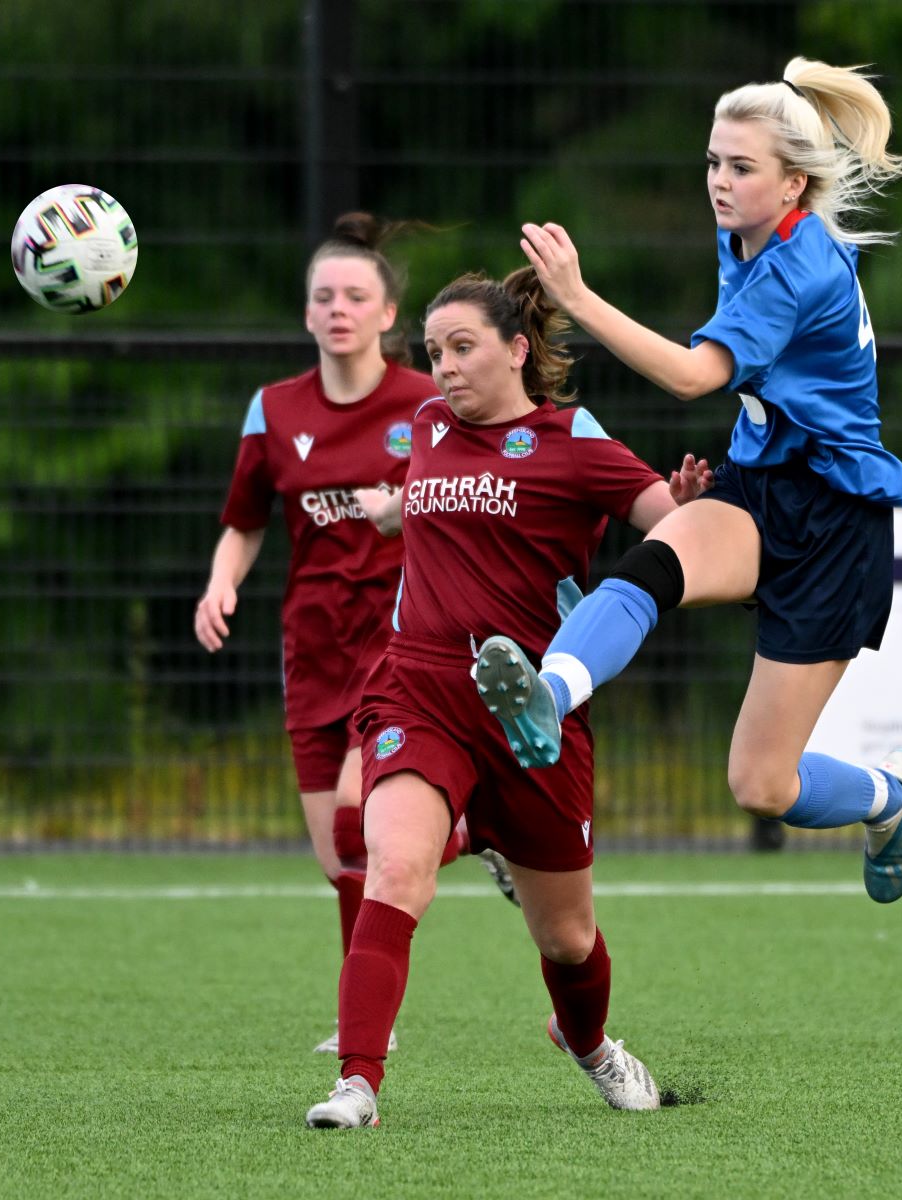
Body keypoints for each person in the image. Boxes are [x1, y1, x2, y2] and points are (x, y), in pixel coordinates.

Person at [475, 57, 902, 905]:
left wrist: (575, 295)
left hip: (836, 525)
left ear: (792, 183)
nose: (718, 181)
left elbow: (692, 377)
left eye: (741, 166)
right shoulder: (748, 233)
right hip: (761, 489)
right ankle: (547, 693)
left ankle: (889, 793)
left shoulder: (798, 266)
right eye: (713, 161)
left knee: (760, 785)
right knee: (650, 562)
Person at [303, 264, 711, 1130]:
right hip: (418, 690)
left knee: (566, 940)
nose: (443, 367)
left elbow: (663, 526)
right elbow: (422, 506)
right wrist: (386, 510)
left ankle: (590, 1043)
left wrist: (678, 503)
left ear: (517, 350)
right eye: (434, 351)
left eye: (462, 348)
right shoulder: (426, 426)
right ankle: (358, 1082)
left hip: (533, 712)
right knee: (393, 867)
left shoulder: (571, 440)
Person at [194, 212, 517, 1056]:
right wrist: (220, 584)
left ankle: (471, 835)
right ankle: (367, 1009)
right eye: (322, 296)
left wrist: (400, 507)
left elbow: (494, 482)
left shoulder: (427, 403)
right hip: (313, 648)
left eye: (356, 296)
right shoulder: (272, 410)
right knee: (339, 861)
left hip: (402, 645)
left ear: (386, 316)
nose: (337, 308)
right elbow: (243, 520)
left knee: (354, 824)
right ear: (306, 315)